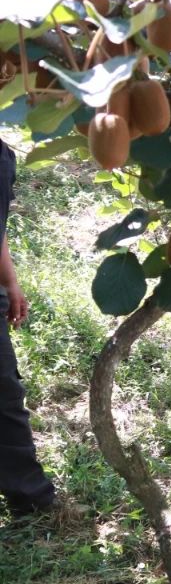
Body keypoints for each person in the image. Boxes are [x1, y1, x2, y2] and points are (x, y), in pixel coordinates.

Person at [0, 138, 58, 519]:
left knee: (4, 393)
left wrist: (10, 284)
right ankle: (31, 497)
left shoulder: (2, 156)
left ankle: (30, 497)